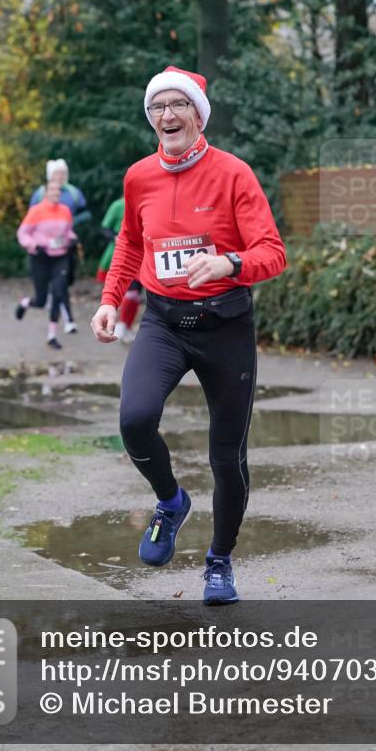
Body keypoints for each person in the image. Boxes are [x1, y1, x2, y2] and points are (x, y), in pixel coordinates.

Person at [91, 65, 287, 604]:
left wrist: (228, 263)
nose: (167, 115)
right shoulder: (139, 177)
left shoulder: (233, 174)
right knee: (134, 419)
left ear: (198, 116)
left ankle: (219, 563)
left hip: (225, 325)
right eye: (158, 107)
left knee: (227, 456)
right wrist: (110, 302)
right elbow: (131, 243)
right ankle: (171, 501)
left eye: (179, 105)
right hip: (164, 322)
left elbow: (273, 253)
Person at [30, 159, 91, 333]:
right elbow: (31, 219)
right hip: (45, 248)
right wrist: (34, 243)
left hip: (66, 244)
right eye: (57, 174)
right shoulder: (40, 193)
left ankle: (57, 304)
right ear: (50, 176)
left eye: (63, 173)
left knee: (65, 281)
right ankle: (68, 321)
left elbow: (86, 213)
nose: (60, 177)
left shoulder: (73, 193)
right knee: (58, 284)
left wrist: (71, 223)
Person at [16, 179, 76, 349]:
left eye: (58, 191)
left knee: (58, 293)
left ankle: (52, 335)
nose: (56, 193)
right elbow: (22, 233)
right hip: (40, 258)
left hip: (60, 257)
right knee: (41, 300)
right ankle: (25, 303)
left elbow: (68, 231)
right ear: (46, 192)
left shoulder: (65, 211)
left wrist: (72, 239)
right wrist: (33, 245)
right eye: (53, 190)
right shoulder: (36, 211)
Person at [96, 194, 143, 344]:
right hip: (120, 253)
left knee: (136, 295)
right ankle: (121, 326)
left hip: (143, 256)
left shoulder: (148, 202)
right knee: (130, 292)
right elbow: (104, 228)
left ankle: (126, 327)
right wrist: (115, 237)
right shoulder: (118, 205)